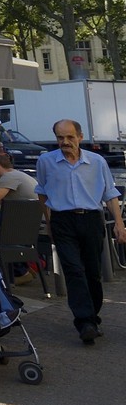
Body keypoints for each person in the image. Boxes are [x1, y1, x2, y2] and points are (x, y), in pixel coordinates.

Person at [36, 118, 126, 345]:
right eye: (60, 138)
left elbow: (110, 194)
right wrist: (49, 222)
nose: (65, 142)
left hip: (91, 219)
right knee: (74, 270)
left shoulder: (96, 162)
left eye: (69, 137)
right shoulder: (46, 161)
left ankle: (92, 317)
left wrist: (119, 223)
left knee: (92, 272)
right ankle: (85, 321)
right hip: (62, 221)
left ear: (80, 137)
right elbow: (42, 192)